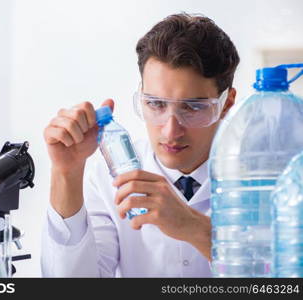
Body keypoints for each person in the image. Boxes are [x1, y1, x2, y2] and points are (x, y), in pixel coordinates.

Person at [41, 13, 240, 277]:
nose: (171, 130)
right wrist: (66, 173)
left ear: (226, 103)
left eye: (192, 107)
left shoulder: (266, 179)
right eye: (156, 104)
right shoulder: (107, 180)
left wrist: (193, 227)